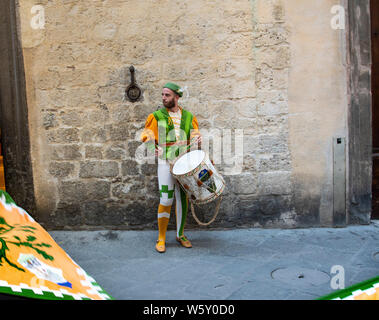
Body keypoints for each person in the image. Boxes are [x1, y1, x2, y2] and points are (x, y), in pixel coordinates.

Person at [141, 82, 202, 253]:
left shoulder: (189, 117)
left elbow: (195, 134)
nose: (163, 98)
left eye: (167, 95)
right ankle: (161, 237)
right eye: (162, 95)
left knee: (182, 199)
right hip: (165, 163)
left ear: (176, 97)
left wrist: (197, 140)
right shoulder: (157, 116)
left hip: (184, 163)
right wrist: (154, 148)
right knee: (166, 199)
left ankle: (180, 234)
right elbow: (146, 135)